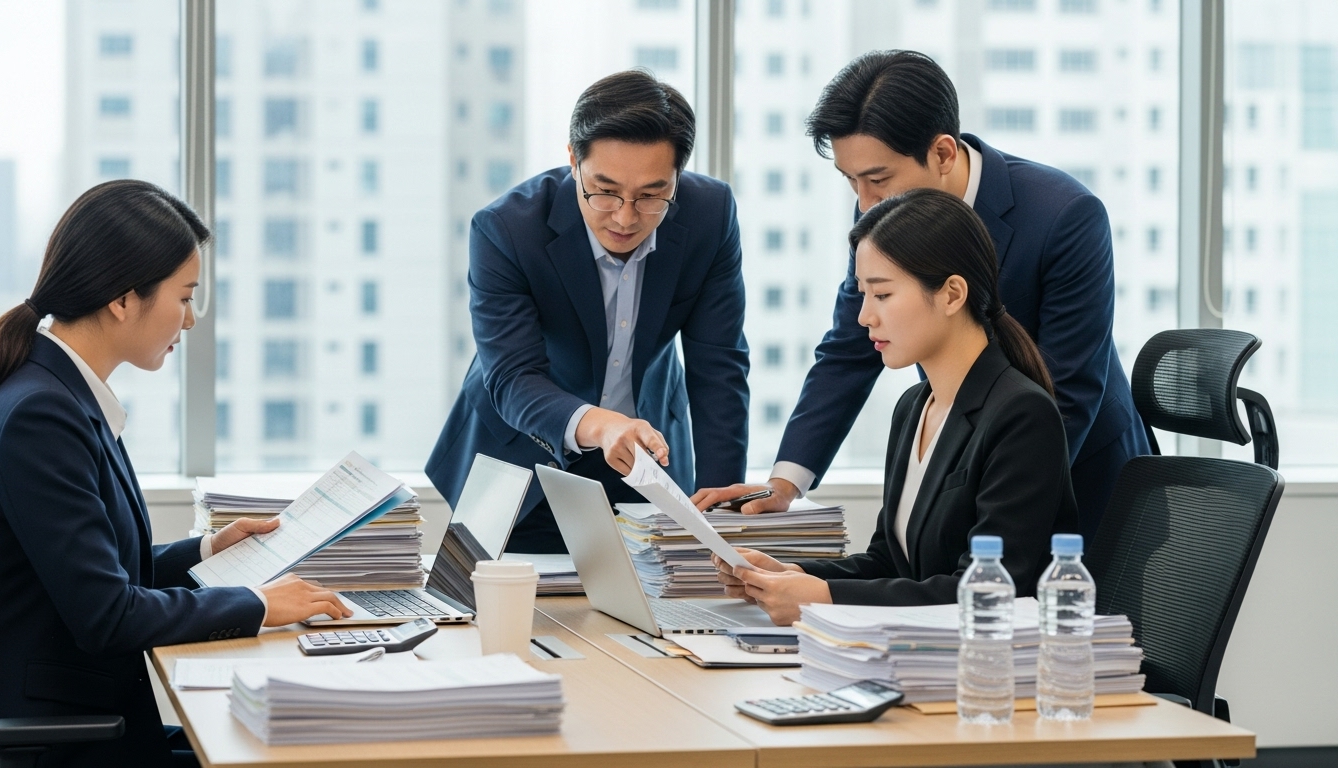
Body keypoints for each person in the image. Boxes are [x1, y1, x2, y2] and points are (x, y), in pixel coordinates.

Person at [0, 180, 350, 768]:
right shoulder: (42, 414)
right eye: (184, 297)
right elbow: (109, 615)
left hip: (78, 721)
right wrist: (259, 602)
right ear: (123, 300)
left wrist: (206, 550)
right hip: (49, 742)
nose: (190, 320)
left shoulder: (62, 393)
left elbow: (96, 574)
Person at [692, 51, 1148, 543]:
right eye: (851, 181)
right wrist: (784, 485)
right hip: (965, 475)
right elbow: (849, 348)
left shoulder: (1063, 215)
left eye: (879, 179)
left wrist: (969, 500)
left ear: (944, 153)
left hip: (1081, 482)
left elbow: (1069, 391)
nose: (865, 202)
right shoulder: (882, 216)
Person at [712, 188, 1079, 625]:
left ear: (951, 294)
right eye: (862, 294)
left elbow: (989, 591)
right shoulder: (913, 407)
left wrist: (822, 597)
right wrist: (794, 576)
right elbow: (889, 562)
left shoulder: (1021, 415)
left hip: (995, 669)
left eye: (882, 295)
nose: (864, 316)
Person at [427, 70, 750, 554]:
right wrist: (603, 425)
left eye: (650, 195)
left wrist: (722, 505)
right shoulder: (506, 229)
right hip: (520, 460)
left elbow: (718, 364)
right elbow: (513, 375)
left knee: (663, 615)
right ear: (573, 160)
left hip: (647, 460)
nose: (624, 216)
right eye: (605, 190)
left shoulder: (711, 213)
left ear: (678, 177)